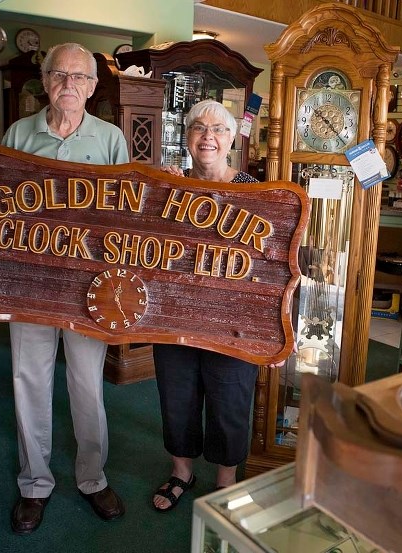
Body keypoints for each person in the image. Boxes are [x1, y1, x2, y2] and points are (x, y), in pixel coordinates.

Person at [0, 42, 128, 534]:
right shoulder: (17, 134)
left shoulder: (111, 139)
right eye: (59, 75)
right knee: (29, 380)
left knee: (88, 384)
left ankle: (92, 477)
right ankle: (34, 483)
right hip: (30, 284)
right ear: (45, 82)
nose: (69, 85)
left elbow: (129, 217)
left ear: (91, 87)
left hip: (91, 285)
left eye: (79, 77)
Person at [152, 99, 262, 512]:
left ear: (232, 138)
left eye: (217, 129)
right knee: (176, 395)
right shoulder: (169, 185)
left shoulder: (256, 191)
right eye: (198, 128)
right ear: (187, 137)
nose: (207, 136)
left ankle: (225, 482)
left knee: (229, 397)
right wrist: (158, 191)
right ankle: (181, 472)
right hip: (175, 314)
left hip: (233, 321)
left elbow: (275, 263)